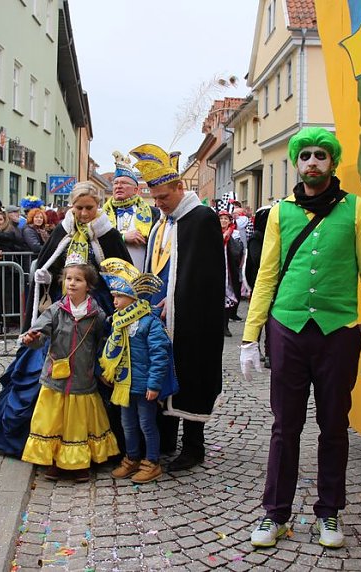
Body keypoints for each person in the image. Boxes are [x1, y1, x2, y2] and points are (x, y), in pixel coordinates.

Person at [241, 127, 361, 549]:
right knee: (285, 427)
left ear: (332, 162)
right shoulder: (281, 213)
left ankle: (329, 511)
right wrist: (250, 337)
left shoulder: (359, 210)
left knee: (334, 426)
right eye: (304, 155)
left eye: (320, 155)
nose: (312, 162)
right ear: (296, 162)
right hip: (287, 329)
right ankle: (275, 515)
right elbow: (266, 275)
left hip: (337, 332)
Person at [131, 143, 225, 472]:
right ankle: (166, 438)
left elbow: (207, 276)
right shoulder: (162, 223)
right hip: (159, 316)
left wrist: (177, 302)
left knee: (190, 374)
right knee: (160, 371)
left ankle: (194, 445)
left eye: (163, 198)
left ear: (179, 188)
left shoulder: (201, 219)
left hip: (191, 318)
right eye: (154, 199)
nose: (158, 204)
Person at [19, 253, 120, 482]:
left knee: (77, 424)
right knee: (54, 421)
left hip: (82, 380)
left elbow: (104, 344)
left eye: (78, 280)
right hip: (55, 377)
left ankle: (78, 463)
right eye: (68, 279)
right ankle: (55, 460)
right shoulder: (55, 310)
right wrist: (31, 338)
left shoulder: (97, 315)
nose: (72, 283)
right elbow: (40, 334)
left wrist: (105, 368)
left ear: (89, 286)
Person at [99, 258, 176, 484]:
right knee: (128, 425)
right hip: (124, 385)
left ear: (132, 298)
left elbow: (160, 355)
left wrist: (154, 385)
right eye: (113, 296)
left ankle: (152, 462)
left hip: (143, 387)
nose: (114, 301)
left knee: (146, 425)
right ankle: (132, 458)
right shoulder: (117, 322)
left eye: (118, 296)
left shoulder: (149, 322)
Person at [30, 182, 131, 321]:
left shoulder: (109, 234)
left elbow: (123, 274)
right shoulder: (62, 230)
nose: (84, 213)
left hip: (99, 303)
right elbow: (50, 263)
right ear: (72, 206)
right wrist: (47, 277)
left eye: (89, 208)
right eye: (79, 208)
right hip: (63, 300)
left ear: (98, 205)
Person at [102, 152, 160, 270]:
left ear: (135, 190)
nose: (118, 186)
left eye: (124, 183)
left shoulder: (153, 213)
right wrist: (123, 237)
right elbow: (98, 240)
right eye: (116, 183)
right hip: (110, 275)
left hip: (143, 274)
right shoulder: (102, 214)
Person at [244, 206, 272, 368]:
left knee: (271, 321)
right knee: (259, 318)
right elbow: (256, 260)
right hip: (259, 283)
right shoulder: (257, 237)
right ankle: (257, 348)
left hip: (271, 284)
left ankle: (270, 352)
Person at [219, 211, 243, 337]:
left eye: (226, 219)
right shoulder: (213, 233)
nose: (223, 221)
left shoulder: (235, 233)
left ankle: (225, 326)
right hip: (217, 270)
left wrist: (229, 238)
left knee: (228, 298)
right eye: (221, 218)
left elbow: (238, 251)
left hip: (230, 270)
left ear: (230, 221)